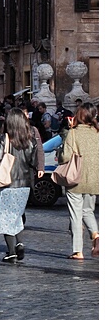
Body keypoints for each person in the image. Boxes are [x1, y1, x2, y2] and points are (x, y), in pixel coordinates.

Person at [0, 108, 44, 264]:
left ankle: (12, 252)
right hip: (25, 183)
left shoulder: (4, 138)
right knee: (17, 214)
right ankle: (19, 242)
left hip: (8, 182)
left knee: (6, 217)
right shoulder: (30, 140)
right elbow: (33, 162)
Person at [60, 103, 99, 259]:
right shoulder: (99, 132)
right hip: (94, 179)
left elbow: (65, 156)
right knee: (88, 211)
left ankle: (78, 250)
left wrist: (69, 130)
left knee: (76, 215)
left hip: (76, 179)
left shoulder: (73, 133)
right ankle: (96, 235)